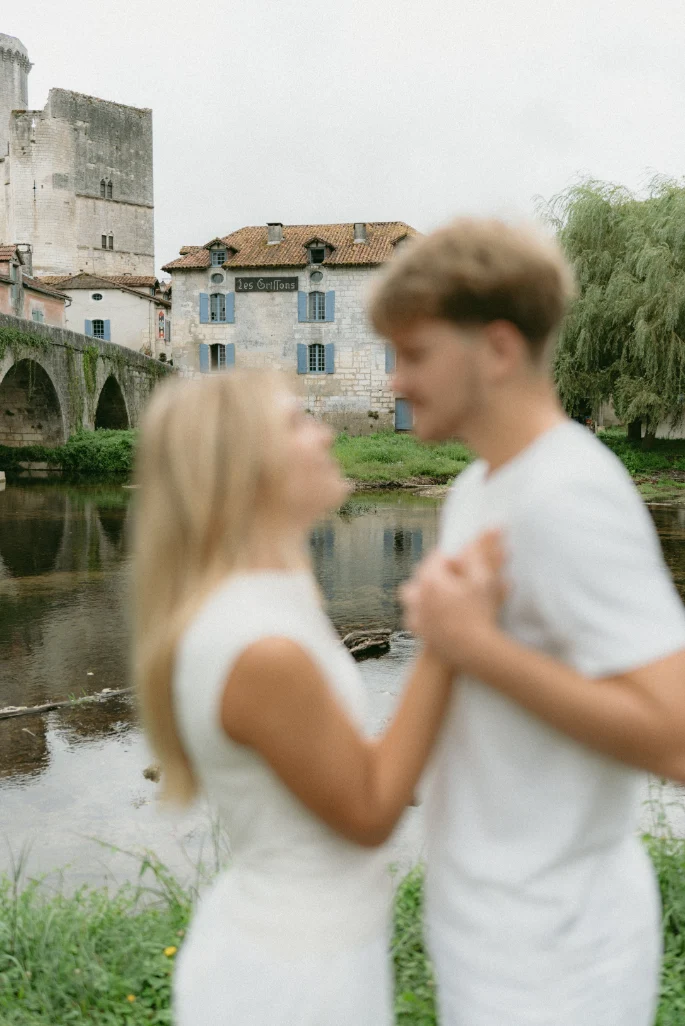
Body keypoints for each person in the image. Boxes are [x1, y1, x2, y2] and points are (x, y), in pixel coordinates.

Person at [369, 217, 685, 1026]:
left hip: (560, 956)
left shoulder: (566, 495)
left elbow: (674, 738)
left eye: (414, 354)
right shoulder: (481, 484)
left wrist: (469, 643)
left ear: (498, 350)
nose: (395, 382)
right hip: (487, 928)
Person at [131, 370, 502, 1026]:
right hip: (289, 979)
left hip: (317, 951)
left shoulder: (270, 599)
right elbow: (367, 812)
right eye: (298, 422)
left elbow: (338, 765)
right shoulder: (258, 645)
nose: (325, 432)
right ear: (245, 468)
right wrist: (449, 641)